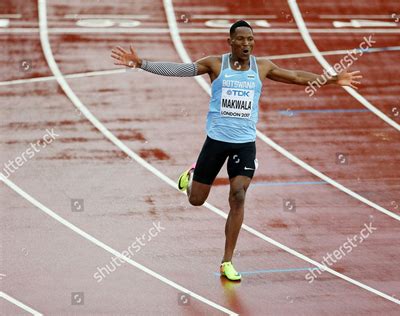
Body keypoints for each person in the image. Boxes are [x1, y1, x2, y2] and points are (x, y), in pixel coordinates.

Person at [111, 20, 362, 281]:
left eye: (250, 40)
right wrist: (142, 64)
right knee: (197, 200)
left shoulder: (262, 67)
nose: (246, 44)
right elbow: (180, 69)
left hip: (244, 143)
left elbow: (297, 76)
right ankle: (193, 174)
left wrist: (333, 80)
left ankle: (226, 261)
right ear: (230, 42)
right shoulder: (215, 64)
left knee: (238, 195)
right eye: (241, 40)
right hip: (216, 142)